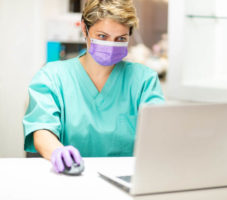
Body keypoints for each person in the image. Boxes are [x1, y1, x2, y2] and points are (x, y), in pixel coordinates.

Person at [23, 0, 165, 173]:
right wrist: (57, 151)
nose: (111, 45)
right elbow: (41, 129)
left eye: (120, 38)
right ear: (84, 28)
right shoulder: (52, 77)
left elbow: (158, 133)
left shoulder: (143, 80)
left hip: (126, 178)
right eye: (102, 36)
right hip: (73, 174)